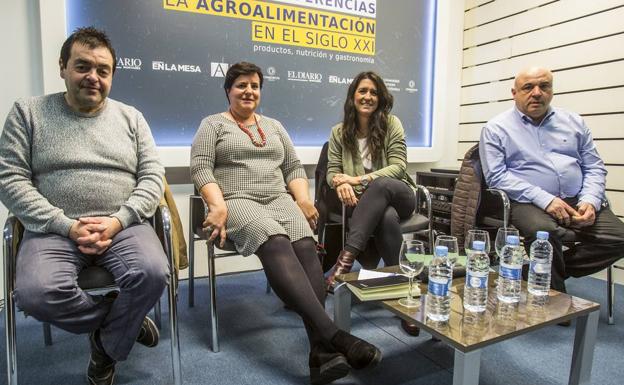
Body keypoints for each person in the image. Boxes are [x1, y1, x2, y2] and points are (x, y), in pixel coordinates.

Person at [191, 62, 381, 385]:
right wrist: (217, 204)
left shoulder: (275, 126)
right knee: (275, 239)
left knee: (306, 243)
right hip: (236, 199)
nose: (249, 91)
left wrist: (304, 200)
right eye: (241, 85)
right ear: (228, 90)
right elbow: (200, 169)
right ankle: (336, 336)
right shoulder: (212, 125)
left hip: (279, 198)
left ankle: (319, 353)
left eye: (254, 85)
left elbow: (293, 168)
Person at [0, 27, 169, 385]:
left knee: (153, 273)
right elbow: (9, 180)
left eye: (103, 70)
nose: (93, 77)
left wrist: (119, 221)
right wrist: (66, 225)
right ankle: (122, 325)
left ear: (112, 76)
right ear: (62, 67)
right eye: (82, 66)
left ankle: (105, 348)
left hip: (123, 226)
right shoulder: (27, 113)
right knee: (35, 294)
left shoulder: (132, 117)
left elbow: (153, 178)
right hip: (53, 229)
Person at [480, 66, 624, 295]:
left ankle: (544, 275)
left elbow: (594, 166)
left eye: (544, 86)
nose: (537, 93)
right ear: (514, 92)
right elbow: (497, 177)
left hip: (578, 199)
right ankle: (553, 292)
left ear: (552, 90)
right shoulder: (496, 128)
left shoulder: (574, 122)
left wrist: (590, 200)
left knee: (619, 238)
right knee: (543, 232)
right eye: (528, 87)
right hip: (528, 201)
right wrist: (546, 199)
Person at [323, 71, 420, 336]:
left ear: (380, 98)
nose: (368, 97)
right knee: (386, 217)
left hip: (400, 195)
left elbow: (398, 168)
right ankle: (407, 293)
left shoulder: (392, 124)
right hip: (370, 205)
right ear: (353, 96)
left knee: (381, 187)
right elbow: (332, 171)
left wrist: (356, 179)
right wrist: (340, 183)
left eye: (374, 92)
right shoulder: (339, 132)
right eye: (363, 91)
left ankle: (346, 259)